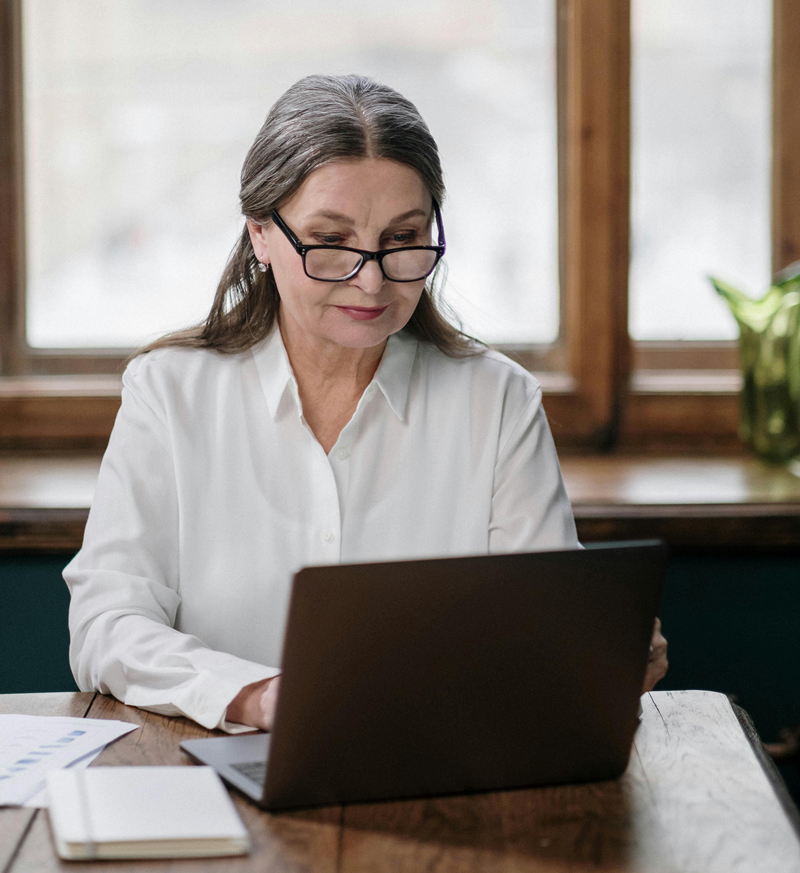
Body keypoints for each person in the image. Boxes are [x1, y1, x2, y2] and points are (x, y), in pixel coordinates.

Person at [64, 74, 668, 734]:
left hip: (439, 768)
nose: (372, 279)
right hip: (212, 772)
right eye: (332, 240)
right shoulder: (169, 392)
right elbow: (107, 623)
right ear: (261, 235)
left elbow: (545, 624)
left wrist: (597, 654)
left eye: (404, 238)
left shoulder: (497, 400)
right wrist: (261, 696)